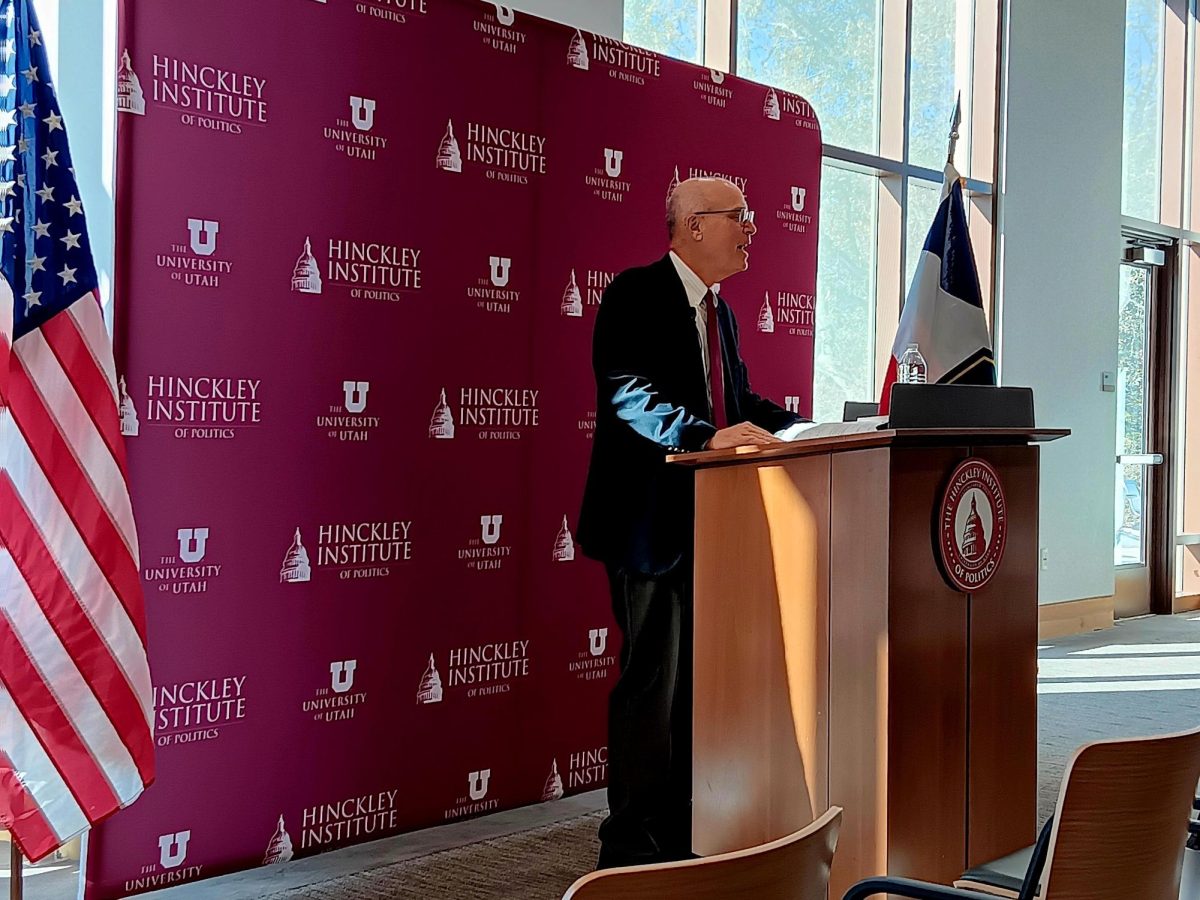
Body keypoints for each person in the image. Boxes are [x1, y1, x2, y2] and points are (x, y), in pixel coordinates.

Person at [577, 176, 806, 869]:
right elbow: (628, 396)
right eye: (741, 217)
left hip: (713, 525)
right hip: (648, 527)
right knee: (653, 684)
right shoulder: (634, 295)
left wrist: (808, 427)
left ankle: (682, 836)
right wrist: (702, 437)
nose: (751, 230)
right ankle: (628, 849)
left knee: (697, 691)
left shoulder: (721, 313)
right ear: (693, 226)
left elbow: (737, 399)